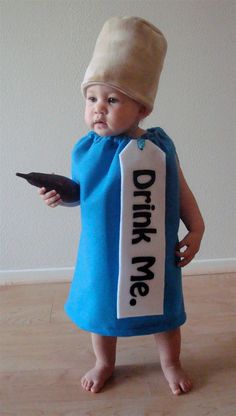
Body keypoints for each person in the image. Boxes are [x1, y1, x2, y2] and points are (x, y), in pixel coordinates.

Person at [39, 17, 205, 395]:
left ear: (142, 108)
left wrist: (196, 229)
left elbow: (180, 190)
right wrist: (62, 194)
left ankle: (170, 362)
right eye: (91, 98)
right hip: (101, 253)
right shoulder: (85, 149)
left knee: (163, 309)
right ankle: (104, 361)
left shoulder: (159, 149)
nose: (98, 108)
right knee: (101, 310)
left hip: (151, 253)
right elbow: (83, 193)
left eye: (112, 100)